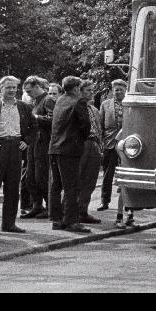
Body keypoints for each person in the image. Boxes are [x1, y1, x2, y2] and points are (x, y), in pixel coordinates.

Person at [0, 76, 37, 236]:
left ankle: (9, 224)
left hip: (16, 148)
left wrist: (26, 141)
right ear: (1, 89)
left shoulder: (24, 107)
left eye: (14, 87)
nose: (12, 90)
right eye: (8, 87)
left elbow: (34, 127)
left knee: (13, 188)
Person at [49, 76, 91, 233]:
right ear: (76, 88)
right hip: (70, 148)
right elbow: (85, 124)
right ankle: (71, 221)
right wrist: (82, 138)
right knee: (72, 186)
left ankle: (57, 219)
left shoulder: (60, 100)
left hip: (54, 147)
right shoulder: (79, 101)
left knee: (56, 185)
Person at [19, 76, 54, 219]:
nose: (27, 94)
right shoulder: (35, 101)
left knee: (41, 177)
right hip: (33, 144)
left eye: (29, 91)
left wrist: (36, 118)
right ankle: (37, 205)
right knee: (30, 177)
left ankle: (50, 207)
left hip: (43, 144)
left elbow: (53, 120)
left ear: (37, 86)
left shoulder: (48, 100)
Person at [97, 79, 126, 211]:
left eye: (121, 89)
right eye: (116, 90)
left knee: (127, 172)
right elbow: (100, 124)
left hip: (127, 143)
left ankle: (129, 202)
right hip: (110, 142)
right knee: (108, 173)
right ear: (112, 91)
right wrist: (101, 142)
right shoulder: (105, 104)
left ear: (125, 90)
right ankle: (104, 201)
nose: (118, 92)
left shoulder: (129, 103)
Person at [77, 80, 102, 224]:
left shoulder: (94, 109)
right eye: (88, 90)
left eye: (92, 90)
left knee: (91, 179)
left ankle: (83, 211)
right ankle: (71, 212)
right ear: (80, 91)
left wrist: (100, 145)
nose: (91, 93)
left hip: (94, 144)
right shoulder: (76, 107)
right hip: (82, 143)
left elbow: (98, 128)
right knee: (77, 178)